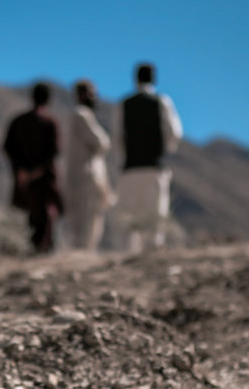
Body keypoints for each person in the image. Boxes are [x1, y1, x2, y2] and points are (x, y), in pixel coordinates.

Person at [115, 63, 183, 251]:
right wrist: (163, 150)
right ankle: (153, 252)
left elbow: (117, 136)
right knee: (155, 213)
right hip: (154, 166)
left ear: (135, 78)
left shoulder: (123, 104)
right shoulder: (161, 102)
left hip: (130, 168)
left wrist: (127, 154)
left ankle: (131, 254)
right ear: (154, 78)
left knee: (131, 214)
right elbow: (174, 132)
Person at [2, 82, 64, 254]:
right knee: (44, 217)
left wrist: (21, 171)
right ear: (48, 100)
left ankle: (16, 251)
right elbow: (54, 151)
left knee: (21, 215)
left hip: (22, 181)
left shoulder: (18, 121)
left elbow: (8, 147)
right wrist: (36, 171)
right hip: (43, 182)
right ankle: (40, 252)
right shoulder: (50, 123)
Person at [65, 79, 114, 250]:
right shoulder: (81, 115)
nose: (95, 97)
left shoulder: (81, 116)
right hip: (85, 180)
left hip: (84, 179)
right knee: (86, 224)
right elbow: (102, 142)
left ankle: (83, 255)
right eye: (91, 93)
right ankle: (82, 257)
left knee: (88, 223)